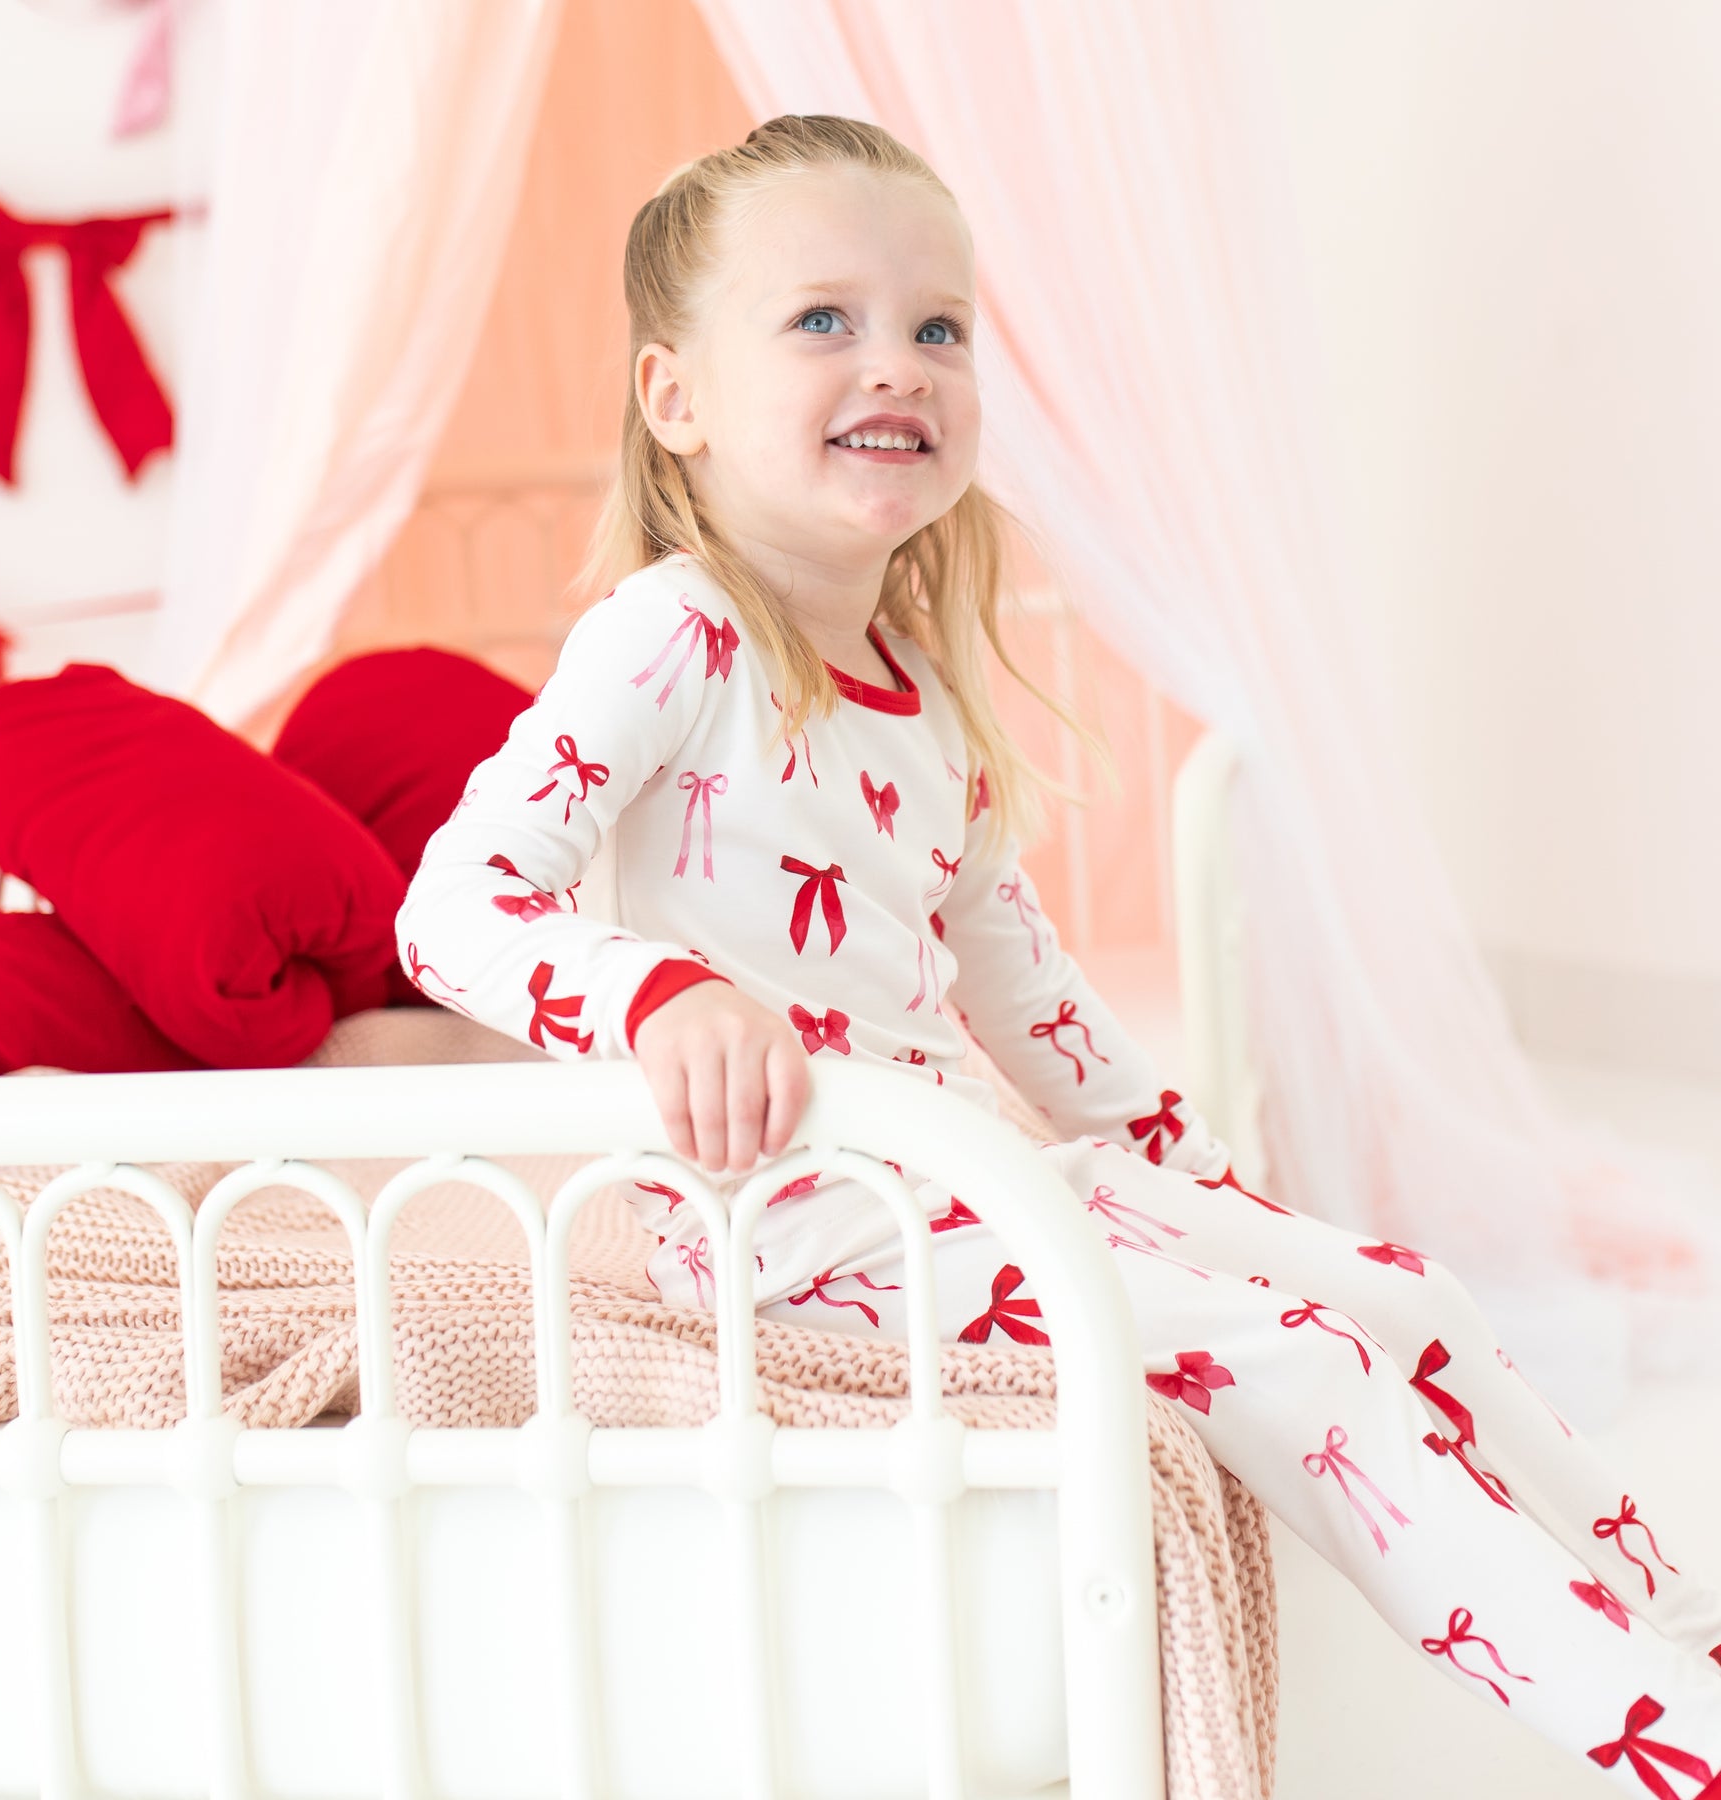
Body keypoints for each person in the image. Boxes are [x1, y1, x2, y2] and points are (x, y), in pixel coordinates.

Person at [395, 114, 1721, 1786]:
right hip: (799, 1215)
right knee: (1307, 1373)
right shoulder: (676, 632)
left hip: (969, 1166)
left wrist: (1203, 1185)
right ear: (678, 400)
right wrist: (663, 993)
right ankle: (1670, 1740)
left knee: (1403, 1295)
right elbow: (453, 907)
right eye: (825, 320)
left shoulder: (922, 699)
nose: (899, 361)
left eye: (937, 327)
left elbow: (1030, 998)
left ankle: (1674, 1631)